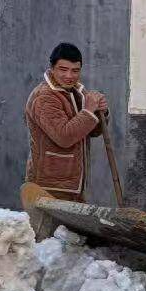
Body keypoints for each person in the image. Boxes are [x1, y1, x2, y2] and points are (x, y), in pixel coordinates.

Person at [25, 42, 108, 201]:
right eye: (63, 70)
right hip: (49, 186)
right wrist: (88, 111)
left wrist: (100, 111)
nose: (69, 76)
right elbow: (64, 137)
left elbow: (91, 131)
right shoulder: (45, 97)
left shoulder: (77, 92)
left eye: (75, 71)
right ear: (52, 68)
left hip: (72, 183)